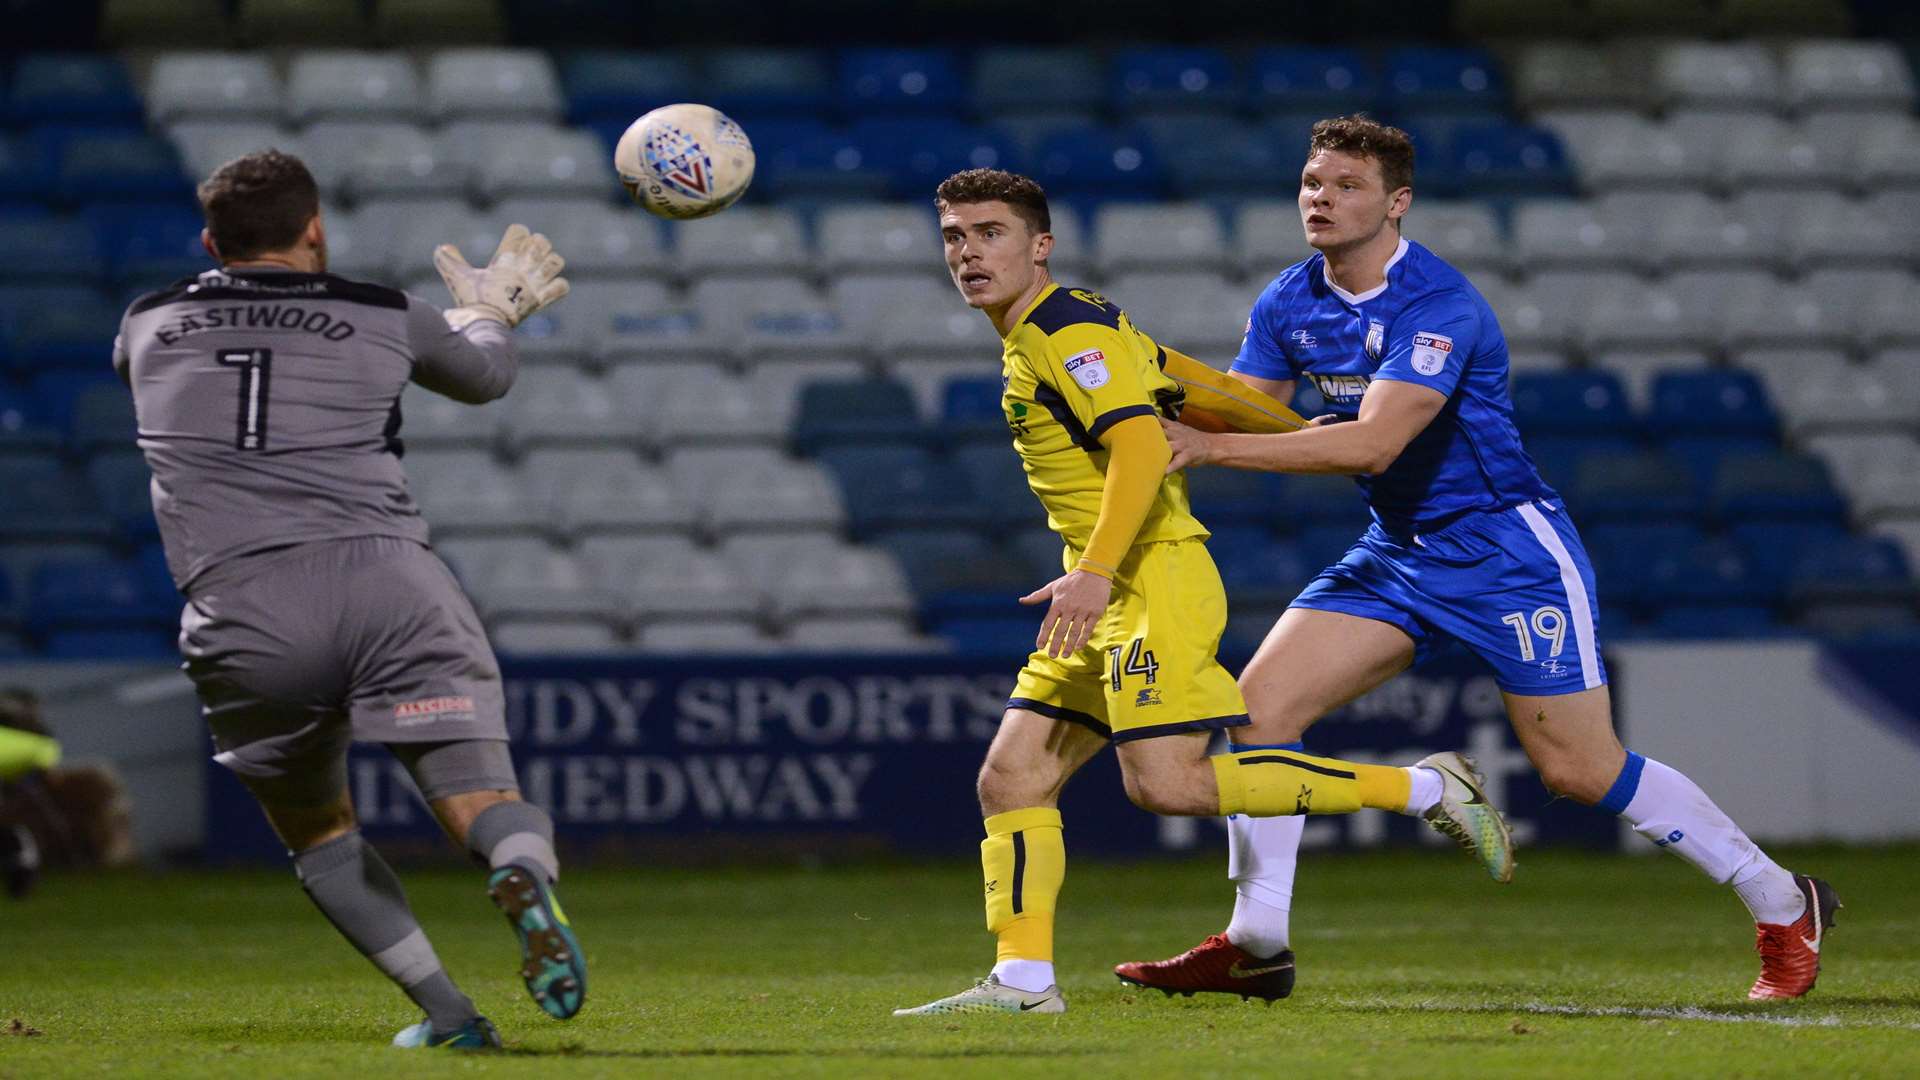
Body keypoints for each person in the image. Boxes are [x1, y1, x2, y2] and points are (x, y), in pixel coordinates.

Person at [1116, 116, 1837, 1004]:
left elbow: (1373, 445)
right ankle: (1257, 941)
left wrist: (1212, 448)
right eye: (1312, 182)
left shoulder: (1438, 304)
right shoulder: (1289, 299)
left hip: (1506, 552)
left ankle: (1783, 900)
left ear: (1396, 202)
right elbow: (1244, 411)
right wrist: (1128, 382)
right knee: (1257, 717)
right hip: (1397, 551)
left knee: (1579, 770)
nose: (1322, 198)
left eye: (1346, 185)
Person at [893, 168, 1515, 1018]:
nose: (968, 252)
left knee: (1169, 786)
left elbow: (1145, 449)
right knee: (1011, 778)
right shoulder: (1068, 324)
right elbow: (1195, 385)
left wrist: (1096, 572)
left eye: (990, 233)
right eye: (955, 237)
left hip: (1146, 579)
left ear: (1040, 245)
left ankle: (1428, 790)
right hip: (1103, 583)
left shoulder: (1066, 328)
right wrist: (1298, 431)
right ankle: (1024, 982)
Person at [115, 150, 583, 1049]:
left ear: (212, 241)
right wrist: (487, 313)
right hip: (387, 584)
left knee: (319, 832)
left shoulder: (145, 320)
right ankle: (519, 869)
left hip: (239, 605)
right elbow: (485, 377)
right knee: (479, 798)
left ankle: (450, 1016)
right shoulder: (383, 312)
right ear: (315, 229)